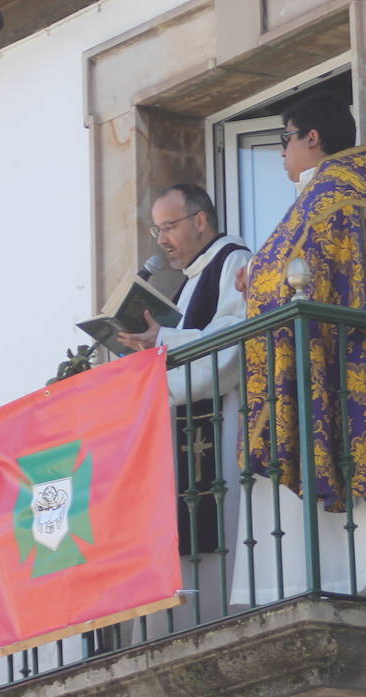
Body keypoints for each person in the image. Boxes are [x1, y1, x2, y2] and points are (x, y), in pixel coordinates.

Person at [231, 92, 366, 604]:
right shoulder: (332, 191)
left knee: (319, 461)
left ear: (312, 137)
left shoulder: (332, 193)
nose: (281, 152)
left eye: (285, 138)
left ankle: (332, 580)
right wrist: (259, 271)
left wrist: (256, 273)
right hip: (331, 354)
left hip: (326, 361)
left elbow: (298, 270)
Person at [118, 185, 252, 616]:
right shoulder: (190, 282)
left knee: (220, 524)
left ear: (200, 220)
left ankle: (222, 610)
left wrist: (164, 339)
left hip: (223, 419)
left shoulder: (233, 261)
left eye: (169, 227)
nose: (162, 240)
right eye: (156, 230)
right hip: (185, 423)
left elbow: (234, 342)